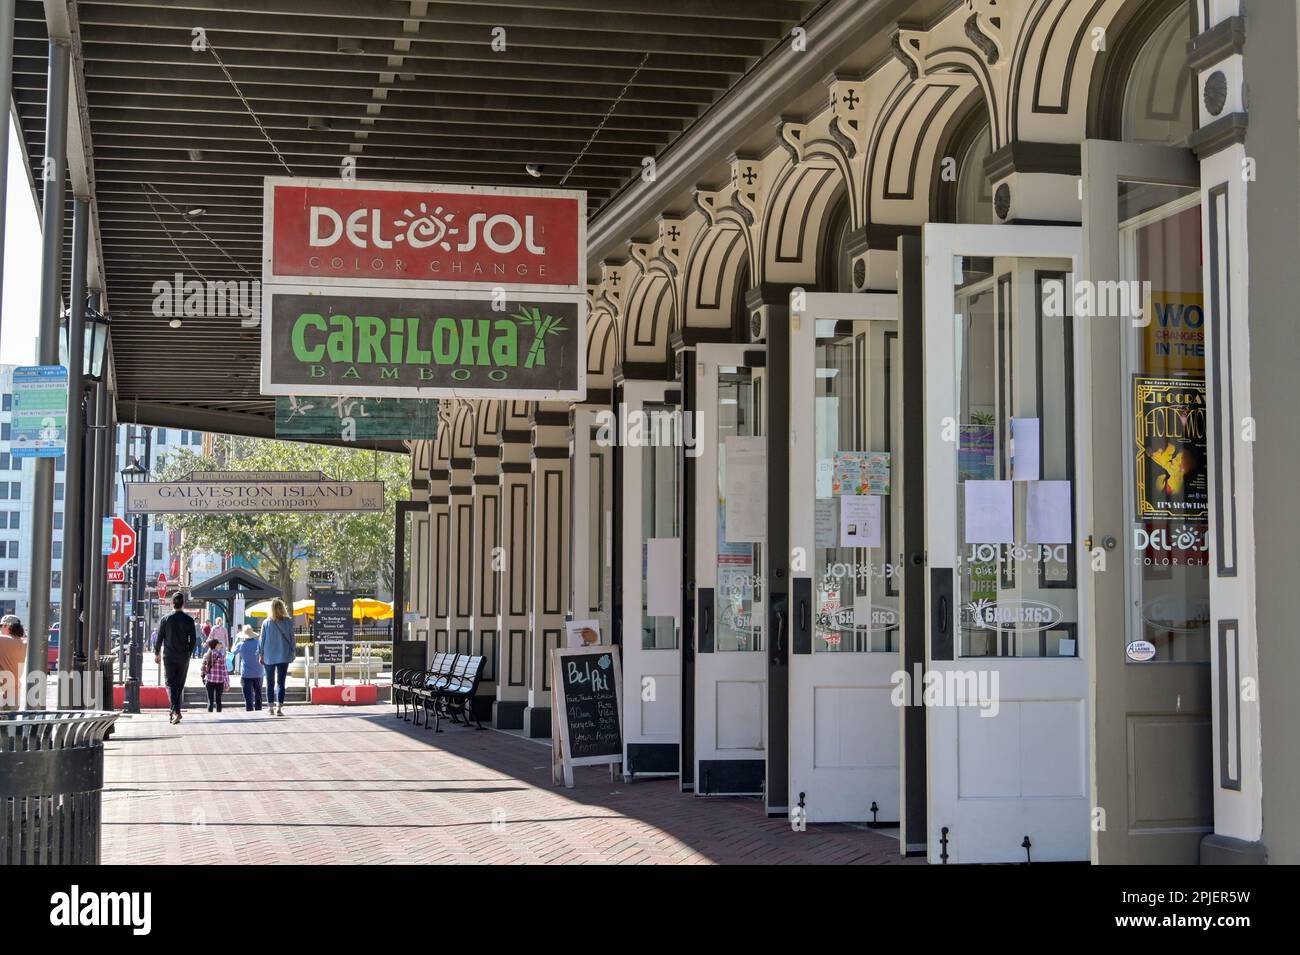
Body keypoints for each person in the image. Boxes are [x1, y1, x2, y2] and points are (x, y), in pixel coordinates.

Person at [154, 592, 197, 724]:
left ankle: (175, 711)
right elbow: (194, 641)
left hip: (169, 656)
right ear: (183, 603)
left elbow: (159, 638)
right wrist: (189, 653)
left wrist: (157, 653)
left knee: (170, 683)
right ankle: (174, 711)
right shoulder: (189, 620)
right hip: (183, 656)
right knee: (179, 684)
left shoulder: (165, 619)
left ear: (172, 603)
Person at [259, 598, 295, 717]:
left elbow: (261, 640)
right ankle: (279, 707)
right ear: (283, 608)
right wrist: (293, 652)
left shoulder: (266, 623)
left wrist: (261, 654)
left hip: (269, 656)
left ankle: (270, 708)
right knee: (281, 682)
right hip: (283, 655)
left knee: (270, 682)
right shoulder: (288, 622)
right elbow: (292, 639)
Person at [231, 624, 264, 711]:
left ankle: (249, 710)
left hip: (246, 673)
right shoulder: (258, 643)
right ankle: (258, 710)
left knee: (248, 695)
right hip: (259, 672)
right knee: (258, 694)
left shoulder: (241, 644)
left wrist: (236, 640)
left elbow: (232, 651)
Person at [0, 614, 28, 712]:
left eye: (1, 626)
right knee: (10, 725)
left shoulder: (2, 640)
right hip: (15, 695)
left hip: (2, 693)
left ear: (7, 626)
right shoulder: (23, 644)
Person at [200, 637, 228, 712]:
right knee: (218, 701)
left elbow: (202, 668)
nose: (219, 645)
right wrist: (227, 682)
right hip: (220, 681)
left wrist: (203, 676)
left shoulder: (206, 655)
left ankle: (210, 715)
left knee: (210, 700)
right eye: (218, 644)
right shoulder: (221, 655)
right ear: (215, 645)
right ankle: (219, 714)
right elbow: (224, 670)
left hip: (209, 680)